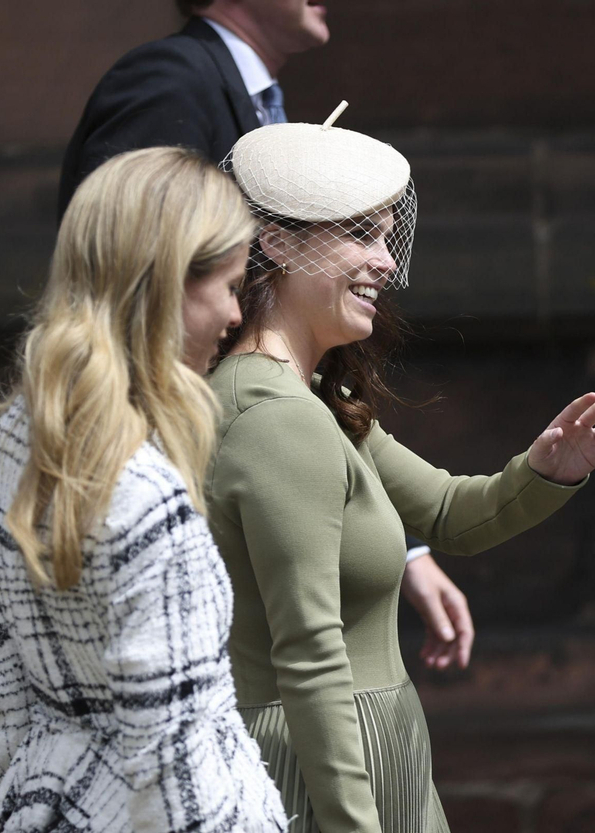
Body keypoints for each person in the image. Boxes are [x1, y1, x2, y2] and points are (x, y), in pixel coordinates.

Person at [206, 120, 595, 833]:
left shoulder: (309, 404)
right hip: (325, 776)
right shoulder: (278, 422)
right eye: (358, 237)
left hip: (363, 762)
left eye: (382, 235)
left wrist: (547, 469)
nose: (384, 265)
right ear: (276, 243)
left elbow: (450, 511)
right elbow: (307, 654)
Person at [0, 147, 298, 833]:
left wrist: (41, 827)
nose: (237, 316)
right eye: (225, 287)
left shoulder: (14, 441)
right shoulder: (143, 493)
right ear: (159, 286)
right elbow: (175, 745)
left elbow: (5, 687)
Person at [60, 0, 477, 674]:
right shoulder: (171, 79)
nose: (231, 312)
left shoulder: (253, 97)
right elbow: (125, 285)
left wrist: (399, 547)